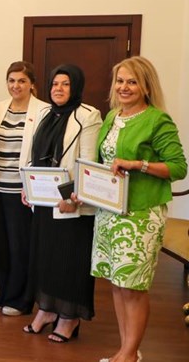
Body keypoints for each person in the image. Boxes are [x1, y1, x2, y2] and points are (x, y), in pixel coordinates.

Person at [91, 57, 186, 362]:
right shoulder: (112, 116)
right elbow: (104, 163)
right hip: (109, 211)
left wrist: (137, 164)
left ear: (146, 86)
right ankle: (125, 350)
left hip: (140, 214)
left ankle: (130, 354)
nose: (124, 87)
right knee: (118, 285)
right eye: (120, 81)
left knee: (133, 286)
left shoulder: (157, 120)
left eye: (132, 82)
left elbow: (178, 167)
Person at [22, 64, 102, 342]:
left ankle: (69, 317)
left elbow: (88, 163)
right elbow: (34, 155)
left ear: (76, 87)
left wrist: (72, 197)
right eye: (55, 84)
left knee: (70, 260)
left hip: (72, 204)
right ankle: (46, 310)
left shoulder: (88, 115)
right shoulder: (46, 114)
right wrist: (27, 187)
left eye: (65, 84)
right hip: (44, 200)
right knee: (46, 258)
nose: (58, 89)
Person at [0, 62, 49, 316]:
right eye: (12, 80)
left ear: (31, 83)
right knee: (1, 245)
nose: (16, 85)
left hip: (22, 191)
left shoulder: (43, 110)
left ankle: (21, 300)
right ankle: (3, 294)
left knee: (20, 246)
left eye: (22, 81)